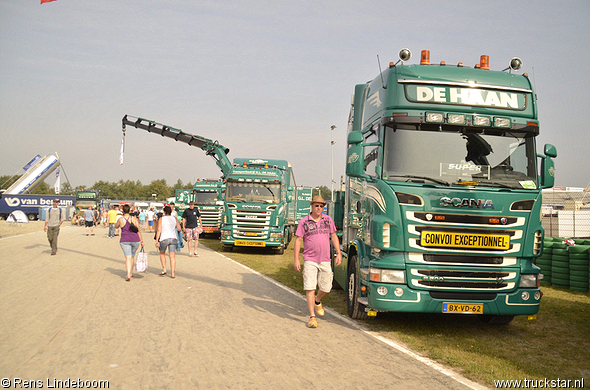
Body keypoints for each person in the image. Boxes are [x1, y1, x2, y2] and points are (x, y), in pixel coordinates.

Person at [293, 195, 342, 328]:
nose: (319, 208)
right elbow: (298, 240)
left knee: (326, 287)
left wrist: (338, 253)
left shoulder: (328, 220)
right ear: (312, 206)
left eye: (321, 206)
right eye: (316, 206)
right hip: (309, 259)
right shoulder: (304, 222)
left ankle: (317, 300)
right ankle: (312, 317)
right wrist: (296, 259)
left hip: (325, 259)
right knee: (310, 287)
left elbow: (333, 236)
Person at [115, 204, 144, 281]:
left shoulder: (120, 219)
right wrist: (141, 241)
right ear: (130, 210)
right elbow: (138, 230)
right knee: (132, 256)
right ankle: (131, 272)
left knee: (128, 257)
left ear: (122, 211)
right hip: (135, 239)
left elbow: (116, 226)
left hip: (124, 240)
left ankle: (128, 275)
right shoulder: (134, 219)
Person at [155, 205, 181, 278]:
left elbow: (159, 229)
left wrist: (157, 240)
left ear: (164, 212)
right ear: (171, 211)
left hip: (164, 238)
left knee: (162, 253)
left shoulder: (161, 219)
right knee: (172, 257)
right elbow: (179, 229)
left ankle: (164, 269)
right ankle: (172, 273)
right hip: (173, 238)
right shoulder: (174, 218)